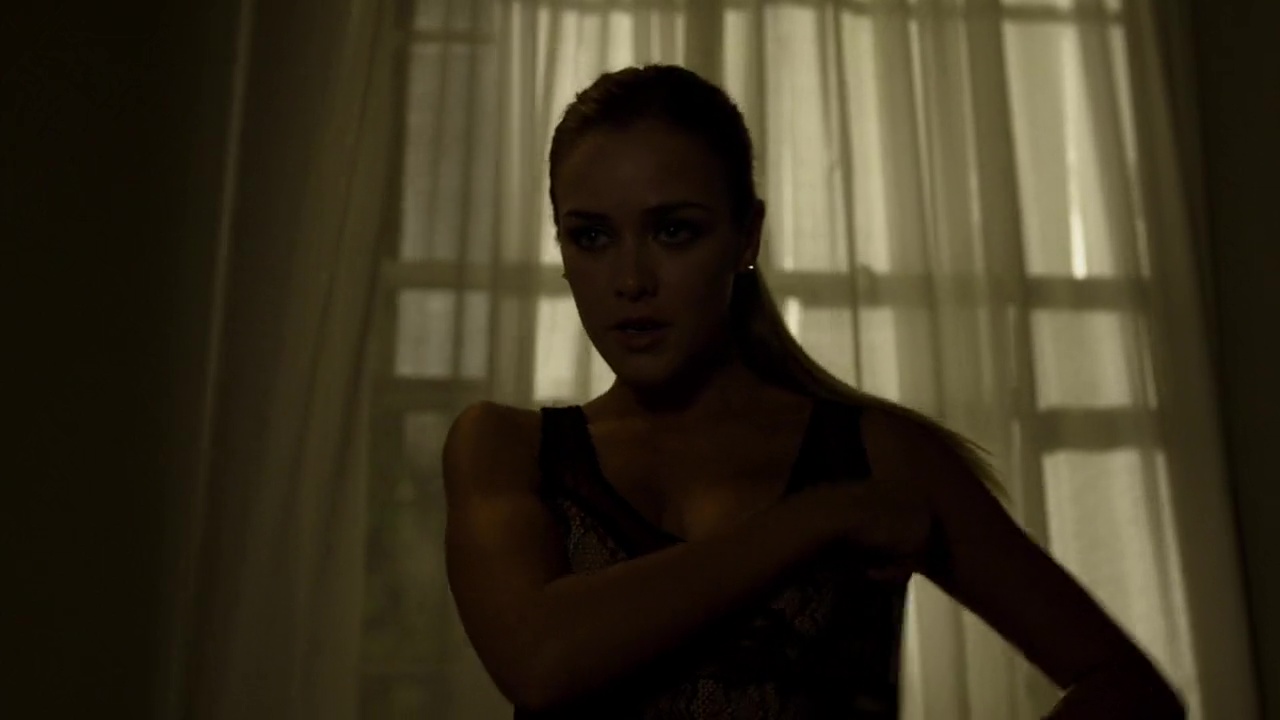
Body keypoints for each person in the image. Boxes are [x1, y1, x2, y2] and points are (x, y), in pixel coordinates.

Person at [442, 65, 1184, 719]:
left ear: (746, 237)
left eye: (674, 231)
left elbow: (1128, 690)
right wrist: (824, 519)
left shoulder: (877, 455)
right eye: (592, 237)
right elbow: (539, 660)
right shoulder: (506, 449)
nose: (631, 280)